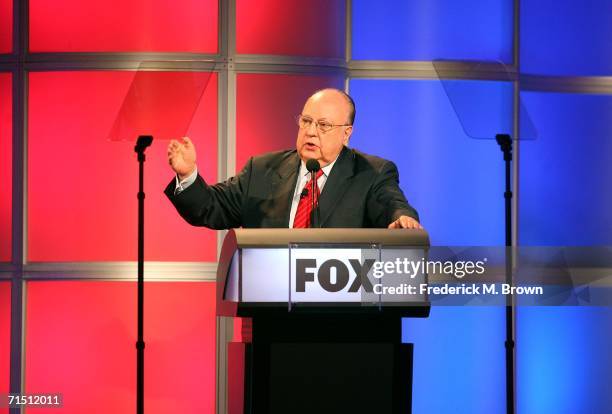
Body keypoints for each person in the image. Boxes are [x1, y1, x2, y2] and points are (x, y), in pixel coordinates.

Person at [165, 88, 422, 230]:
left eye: (323, 125)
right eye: (306, 121)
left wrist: (402, 219)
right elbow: (212, 208)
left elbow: (393, 205)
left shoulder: (372, 173)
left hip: (344, 319)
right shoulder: (263, 170)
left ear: (346, 133)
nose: (310, 131)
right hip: (275, 315)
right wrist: (188, 175)